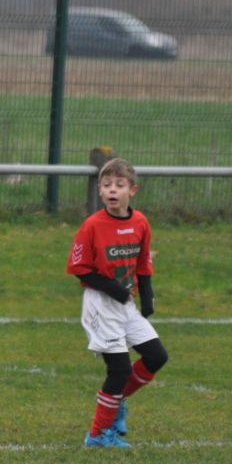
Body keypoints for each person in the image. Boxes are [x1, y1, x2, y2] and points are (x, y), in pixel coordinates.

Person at [66, 157, 169, 447]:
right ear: (100, 191)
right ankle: (98, 435)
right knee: (120, 370)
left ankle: (117, 400)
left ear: (132, 190)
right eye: (107, 184)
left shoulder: (140, 223)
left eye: (119, 185)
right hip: (101, 303)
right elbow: (78, 268)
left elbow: (143, 261)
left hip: (125, 304)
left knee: (156, 356)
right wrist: (113, 289)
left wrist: (147, 294)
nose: (112, 190)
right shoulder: (92, 226)